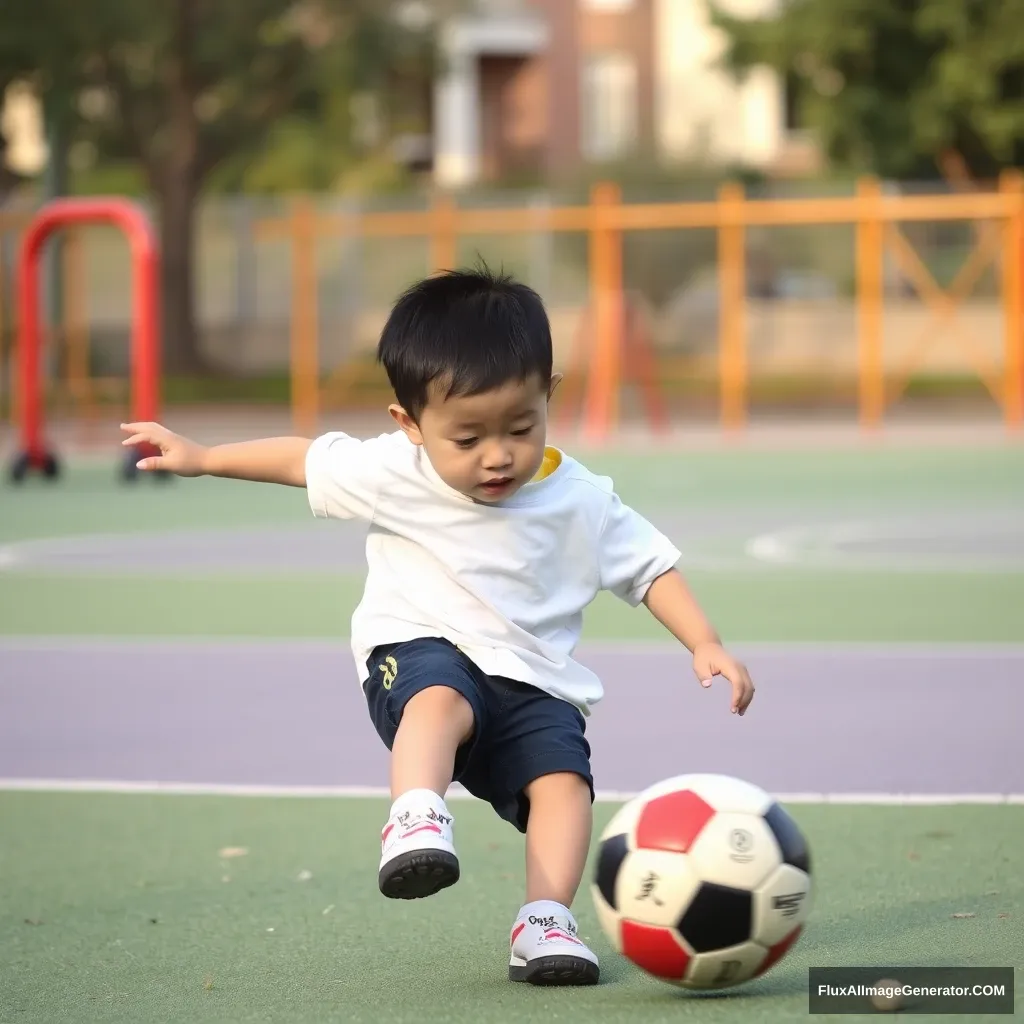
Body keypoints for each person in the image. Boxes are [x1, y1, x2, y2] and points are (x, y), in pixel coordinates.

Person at [120, 265, 755, 987]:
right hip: (420, 645)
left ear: (548, 396)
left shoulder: (581, 498)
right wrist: (204, 458)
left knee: (564, 785)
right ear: (411, 425)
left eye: (521, 427)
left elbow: (648, 569)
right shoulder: (395, 469)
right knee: (441, 699)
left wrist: (705, 641)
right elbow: (303, 458)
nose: (498, 455)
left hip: (535, 680)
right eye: (468, 437)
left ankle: (544, 920)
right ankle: (417, 814)